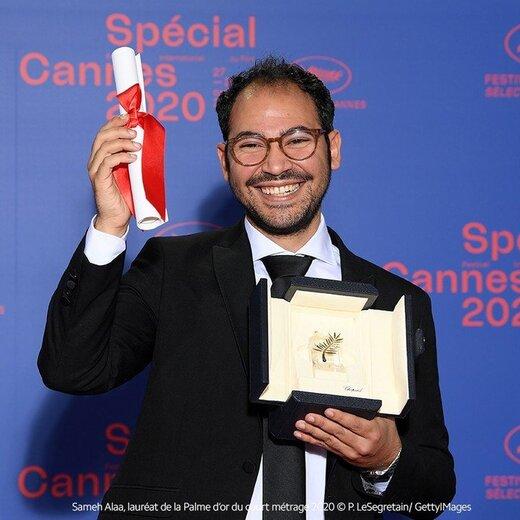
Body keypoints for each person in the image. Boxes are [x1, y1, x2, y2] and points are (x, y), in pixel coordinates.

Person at [38, 56, 455, 519]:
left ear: (333, 148)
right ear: (225, 161)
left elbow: (434, 489)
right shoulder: (172, 269)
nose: (275, 165)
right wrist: (110, 226)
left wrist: (386, 459)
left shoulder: (397, 301)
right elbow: (72, 370)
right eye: (251, 145)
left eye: (297, 140)